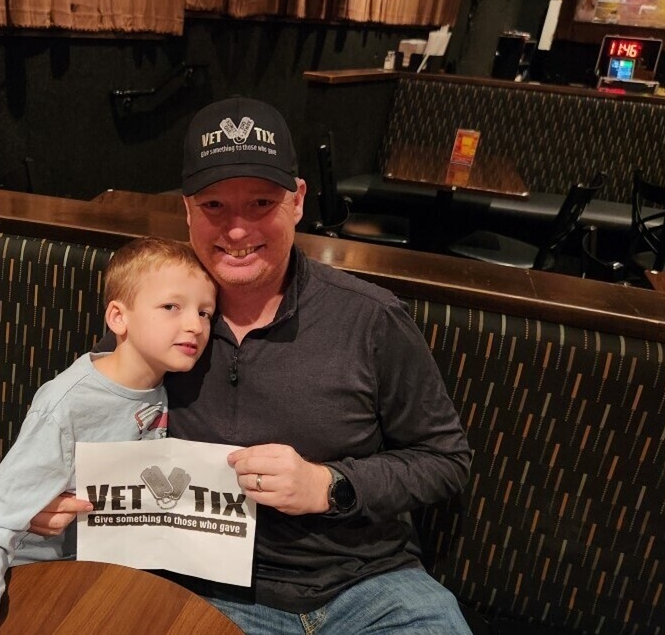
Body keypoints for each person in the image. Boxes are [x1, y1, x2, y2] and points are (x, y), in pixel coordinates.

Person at [30, 96, 474, 634]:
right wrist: (50, 495)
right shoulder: (151, 314)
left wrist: (328, 484)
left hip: (369, 585)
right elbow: (89, 422)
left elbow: (445, 459)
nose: (237, 231)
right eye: (214, 206)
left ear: (298, 201)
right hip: (203, 588)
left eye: (261, 203)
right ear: (187, 211)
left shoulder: (371, 318)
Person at [0, 236, 216, 635]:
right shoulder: (66, 406)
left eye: (205, 313)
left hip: (114, 576)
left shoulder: (164, 385)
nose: (195, 325)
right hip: (40, 577)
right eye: (172, 307)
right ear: (118, 318)